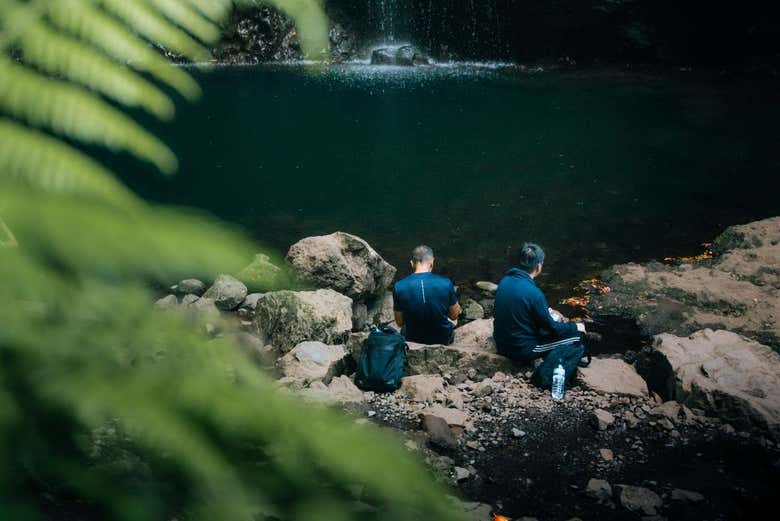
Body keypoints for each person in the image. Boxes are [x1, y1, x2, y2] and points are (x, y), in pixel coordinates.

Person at [493, 242, 586, 363]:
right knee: (578, 337)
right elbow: (553, 329)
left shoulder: (505, 280)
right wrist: (576, 326)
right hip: (521, 350)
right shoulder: (534, 293)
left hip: (501, 344)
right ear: (538, 267)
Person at [393, 245, 461, 345]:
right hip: (442, 338)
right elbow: (454, 316)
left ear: (411, 263)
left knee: (404, 329)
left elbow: (399, 322)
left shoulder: (399, 286)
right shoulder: (446, 283)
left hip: (412, 338)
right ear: (432, 262)